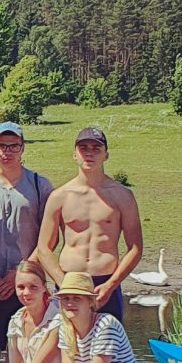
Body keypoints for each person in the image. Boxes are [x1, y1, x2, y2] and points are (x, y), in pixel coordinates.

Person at [0, 122, 55, 363]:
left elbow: (49, 238)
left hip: (28, 285)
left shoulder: (40, 185)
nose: (7, 151)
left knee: (30, 359)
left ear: (22, 147)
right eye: (2, 146)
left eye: (13, 146)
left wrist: (19, 274)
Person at [35, 127, 143, 321]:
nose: (89, 153)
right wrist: (63, 283)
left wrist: (111, 285)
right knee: (67, 338)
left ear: (106, 155)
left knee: (107, 338)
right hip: (69, 280)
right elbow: (44, 248)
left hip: (105, 282)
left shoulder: (122, 196)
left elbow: (135, 248)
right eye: (83, 148)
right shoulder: (60, 196)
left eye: (96, 148)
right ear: (74, 154)